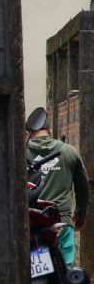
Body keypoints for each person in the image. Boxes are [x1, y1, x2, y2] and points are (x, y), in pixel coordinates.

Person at [27, 107, 89, 268]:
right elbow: (83, 188)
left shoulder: (20, 154)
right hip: (61, 223)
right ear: (49, 130)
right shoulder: (70, 152)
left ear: (28, 133)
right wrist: (80, 215)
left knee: (29, 272)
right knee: (66, 269)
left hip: (31, 225)